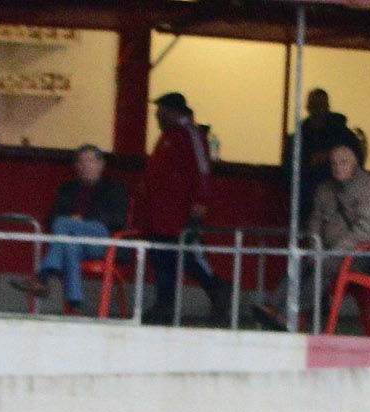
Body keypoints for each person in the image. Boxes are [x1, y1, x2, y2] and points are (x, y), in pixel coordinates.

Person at [255, 135, 370, 332]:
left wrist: (330, 252)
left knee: (324, 266)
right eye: (333, 163)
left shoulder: (369, 189)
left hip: (361, 255)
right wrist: (315, 248)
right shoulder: (325, 188)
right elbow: (315, 222)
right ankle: (272, 306)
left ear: (355, 163)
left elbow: (364, 232)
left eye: (343, 162)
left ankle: (292, 312)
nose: (337, 167)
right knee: (300, 260)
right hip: (326, 250)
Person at [135, 92, 228, 327]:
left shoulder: (190, 134)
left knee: (188, 258)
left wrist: (200, 205)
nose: (157, 117)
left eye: (161, 112)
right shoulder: (169, 136)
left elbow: (201, 169)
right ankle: (164, 305)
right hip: (161, 214)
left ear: (174, 112)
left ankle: (218, 290)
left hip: (180, 214)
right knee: (163, 260)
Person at [18, 145, 128, 316]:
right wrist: (73, 225)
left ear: (101, 164)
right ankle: (74, 306)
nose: (85, 165)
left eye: (90, 161)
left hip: (103, 241)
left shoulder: (114, 188)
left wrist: (82, 221)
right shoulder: (69, 189)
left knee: (64, 223)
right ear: (76, 166)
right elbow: (51, 219)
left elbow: (118, 219)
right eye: (81, 161)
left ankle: (44, 276)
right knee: (69, 245)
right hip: (76, 242)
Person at [282, 87, 351, 218]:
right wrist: (308, 163)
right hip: (306, 203)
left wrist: (332, 156)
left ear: (328, 107)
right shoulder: (298, 138)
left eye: (322, 105)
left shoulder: (343, 136)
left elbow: (356, 162)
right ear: (308, 108)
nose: (318, 110)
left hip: (339, 203)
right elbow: (288, 170)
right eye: (314, 106)